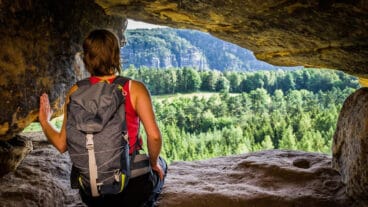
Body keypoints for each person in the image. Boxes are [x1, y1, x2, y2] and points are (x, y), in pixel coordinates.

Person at [39, 29, 167, 207]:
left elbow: (62, 144)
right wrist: (154, 163)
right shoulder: (134, 88)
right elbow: (154, 137)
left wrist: (45, 122)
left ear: (87, 58)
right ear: (116, 55)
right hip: (130, 188)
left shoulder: (75, 92)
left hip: (92, 191)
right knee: (161, 165)